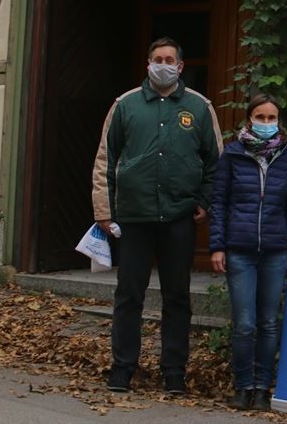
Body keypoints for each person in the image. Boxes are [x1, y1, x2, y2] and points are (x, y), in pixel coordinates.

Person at [91, 37, 221, 395]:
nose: (163, 64)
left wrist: (205, 201)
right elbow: (105, 160)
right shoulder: (125, 105)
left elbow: (215, 162)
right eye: (157, 59)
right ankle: (123, 368)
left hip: (179, 217)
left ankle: (174, 371)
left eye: (170, 60)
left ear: (180, 67)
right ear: (148, 64)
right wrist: (104, 210)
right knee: (128, 294)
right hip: (133, 217)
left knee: (177, 296)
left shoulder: (199, 107)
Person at [208, 94, 287, 411]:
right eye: (260, 117)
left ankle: (262, 388)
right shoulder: (232, 155)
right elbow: (218, 203)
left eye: (271, 117)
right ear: (249, 119)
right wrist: (217, 245)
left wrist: (285, 239)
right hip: (240, 251)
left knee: (269, 323)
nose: (265, 123)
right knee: (245, 324)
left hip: (274, 251)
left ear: (278, 121)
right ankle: (242, 386)